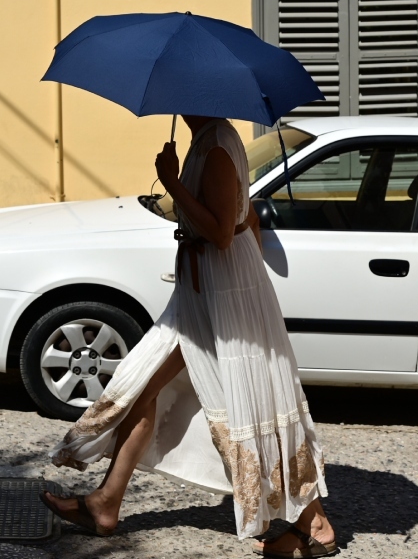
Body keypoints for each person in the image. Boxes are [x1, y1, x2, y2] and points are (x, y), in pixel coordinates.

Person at [41, 115, 337, 558]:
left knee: (257, 402)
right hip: (207, 293)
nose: (176, 105)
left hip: (222, 295)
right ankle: (106, 503)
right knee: (144, 385)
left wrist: (172, 184)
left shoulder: (216, 145)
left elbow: (221, 234)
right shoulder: (208, 140)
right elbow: (248, 215)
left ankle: (315, 523)